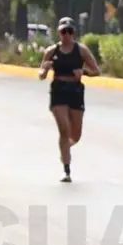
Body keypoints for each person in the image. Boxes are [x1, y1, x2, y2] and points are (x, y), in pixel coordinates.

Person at [38, 17, 100, 183]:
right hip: (59, 90)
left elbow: (96, 71)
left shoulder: (81, 50)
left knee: (76, 134)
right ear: (58, 32)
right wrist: (44, 70)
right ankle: (66, 169)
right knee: (64, 129)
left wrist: (84, 72)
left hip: (75, 90)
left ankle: (64, 146)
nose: (66, 35)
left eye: (69, 31)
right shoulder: (51, 51)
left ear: (74, 33)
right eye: (63, 31)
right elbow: (41, 75)